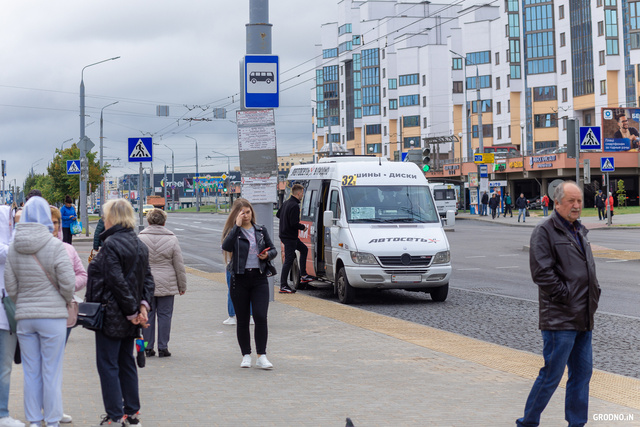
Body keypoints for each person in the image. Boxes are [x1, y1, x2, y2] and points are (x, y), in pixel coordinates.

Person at [516, 181, 601, 427]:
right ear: (557, 203)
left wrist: (594, 292)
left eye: (579, 201)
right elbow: (542, 274)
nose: (577, 206)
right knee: (552, 375)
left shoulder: (579, 230)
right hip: (560, 318)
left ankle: (577, 423)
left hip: (584, 316)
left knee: (582, 374)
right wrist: (567, 296)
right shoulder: (545, 231)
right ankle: (528, 422)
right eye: (571, 201)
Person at [4, 197, 75, 427]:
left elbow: (11, 286)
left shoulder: (14, 247)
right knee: (51, 371)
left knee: (30, 372)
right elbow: (68, 283)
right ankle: (52, 420)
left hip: (25, 318)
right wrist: (63, 300)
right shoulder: (55, 245)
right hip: (52, 316)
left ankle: (34, 420)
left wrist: (23, 301)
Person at [85, 199, 154, 426]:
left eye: (105, 216)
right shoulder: (139, 244)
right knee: (126, 362)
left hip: (112, 315)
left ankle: (115, 416)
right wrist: (142, 307)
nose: (103, 221)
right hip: (130, 317)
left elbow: (116, 283)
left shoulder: (111, 245)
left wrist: (133, 311)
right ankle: (132, 414)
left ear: (112, 218)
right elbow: (148, 280)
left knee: (108, 364)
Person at [222, 199, 277, 370]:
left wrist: (267, 256)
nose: (246, 215)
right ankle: (246, 355)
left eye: (248, 212)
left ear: (252, 212)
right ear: (236, 214)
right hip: (240, 279)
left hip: (259, 278)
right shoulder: (234, 232)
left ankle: (262, 355)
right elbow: (226, 246)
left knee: (260, 316)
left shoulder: (260, 230)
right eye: (242, 213)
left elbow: (273, 249)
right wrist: (236, 226)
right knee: (243, 319)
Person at [50, 206, 87, 424]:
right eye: (50, 221)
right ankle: (41, 408)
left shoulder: (67, 249)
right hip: (37, 314)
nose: (53, 226)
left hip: (64, 312)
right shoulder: (27, 248)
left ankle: (54, 407)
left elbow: (83, 275)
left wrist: (69, 285)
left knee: (56, 363)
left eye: (56, 222)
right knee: (39, 365)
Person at [138, 208, 187, 358]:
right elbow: (179, 265)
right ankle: (163, 347)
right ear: (164, 222)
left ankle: (146, 347)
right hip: (167, 282)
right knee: (165, 316)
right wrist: (182, 286)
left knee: (146, 316)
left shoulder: (140, 238)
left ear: (148, 221)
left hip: (146, 284)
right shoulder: (172, 238)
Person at [0, 206, 25, 427]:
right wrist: (17, 227)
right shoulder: (4, 245)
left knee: (5, 365)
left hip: (6, 310)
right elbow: (10, 253)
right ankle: (2, 414)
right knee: (4, 367)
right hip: (3, 310)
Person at [277, 184, 313, 294]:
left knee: (304, 249)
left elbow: (278, 215)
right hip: (289, 237)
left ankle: (303, 275)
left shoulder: (286, 203)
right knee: (288, 260)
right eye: (302, 193)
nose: (302, 195)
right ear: (298, 193)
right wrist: (303, 227)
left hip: (286, 235)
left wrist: (285, 220)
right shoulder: (294, 206)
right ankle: (283, 285)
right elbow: (293, 223)